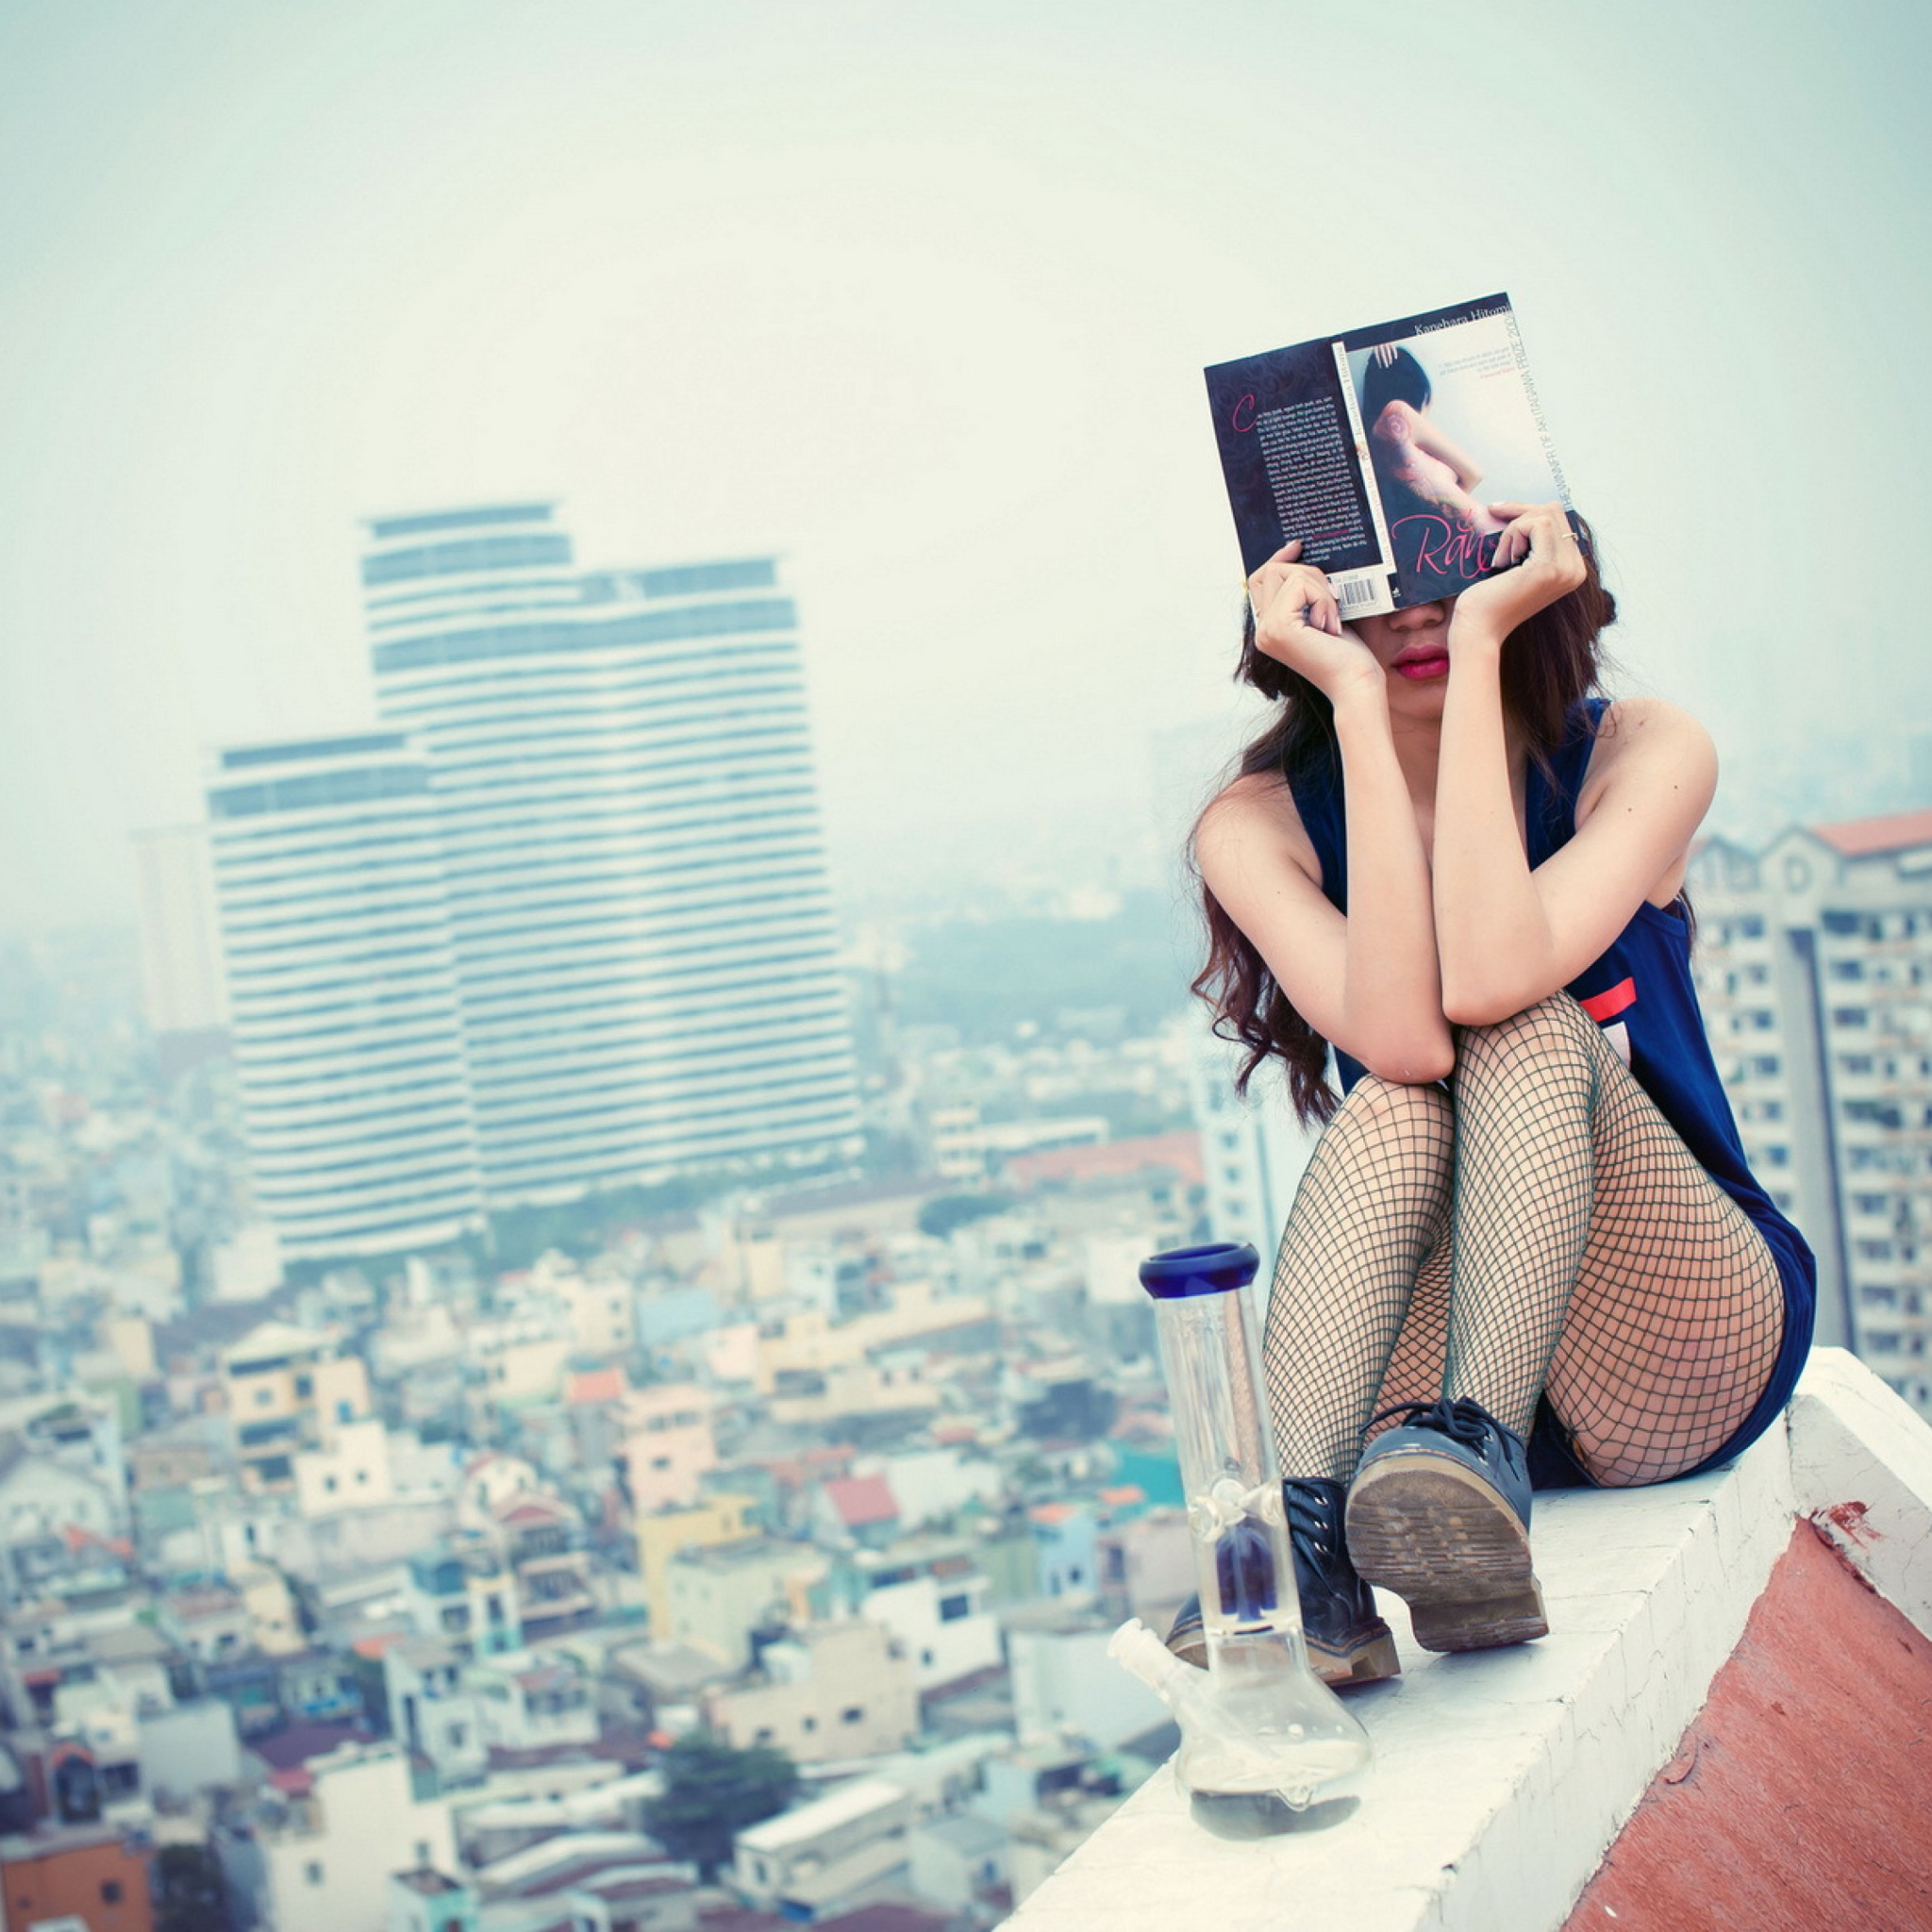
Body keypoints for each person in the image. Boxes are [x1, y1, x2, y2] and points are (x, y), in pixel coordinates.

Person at [1172, 505, 1815, 1685]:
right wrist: (1356, 711)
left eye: (1447, 565)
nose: (1414, 607)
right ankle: (1308, 1550)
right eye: (1371, 581)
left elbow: (1488, 975)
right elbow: (1400, 1039)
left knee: (1519, 1026)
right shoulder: (1257, 824)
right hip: (1412, 1419)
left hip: (1675, 1327)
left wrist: (1477, 654)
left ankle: (1478, 1445)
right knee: (1394, 1098)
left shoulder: (1639, 748)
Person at [1360, 342, 1507, 549]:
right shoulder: (1398, 413)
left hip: (1461, 544)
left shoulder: (1373, 445)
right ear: (1416, 388)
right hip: (1486, 533)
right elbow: (1474, 473)